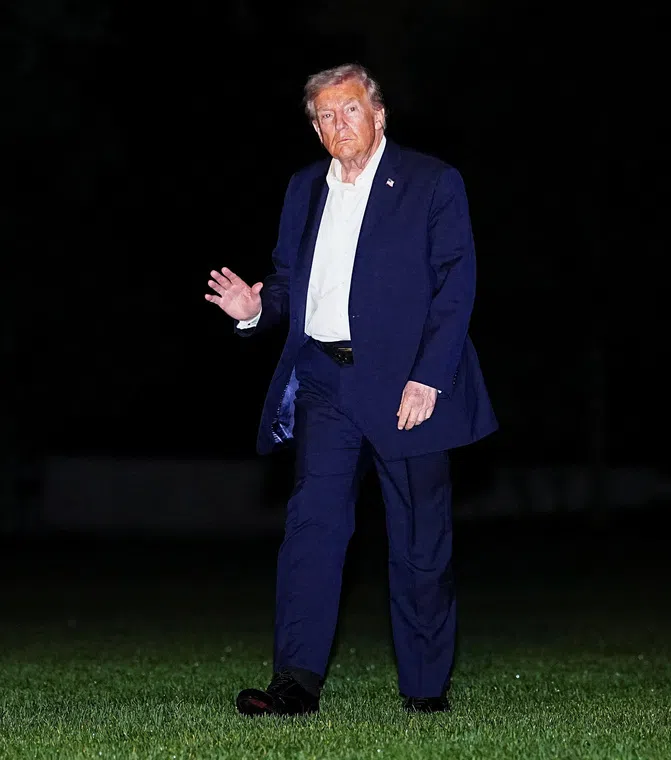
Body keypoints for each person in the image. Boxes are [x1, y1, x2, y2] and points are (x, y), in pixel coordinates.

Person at [204, 62, 497, 716]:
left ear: (379, 114)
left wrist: (430, 377)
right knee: (312, 528)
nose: (339, 125)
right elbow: (289, 281)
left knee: (420, 540)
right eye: (325, 116)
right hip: (324, 383)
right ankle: (295, 684)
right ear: (314, 126)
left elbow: (456, 288)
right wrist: (256, 307)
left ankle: (424, 689)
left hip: (407, 387)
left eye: (351, 110)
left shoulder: (431, 182)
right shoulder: (304, 188)